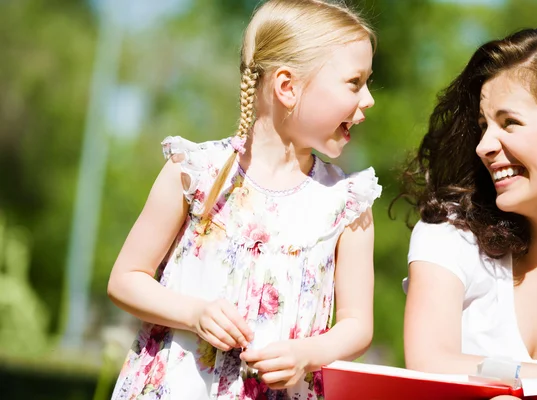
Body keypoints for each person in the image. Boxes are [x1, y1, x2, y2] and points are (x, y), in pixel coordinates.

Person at [106, 1, 381, 399]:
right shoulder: (195, 173)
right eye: (354, 82)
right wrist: (194, 313)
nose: (369, 98)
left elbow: (357, 325)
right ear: (287, 87)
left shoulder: (347, 202)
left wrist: (307, 354)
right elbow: (126, 280)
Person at [396, 25, 537, 399]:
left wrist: (492, 376)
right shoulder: (450, 237)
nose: (484, 146)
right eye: (483, 126)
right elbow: (430, 364)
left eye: (510, 123)